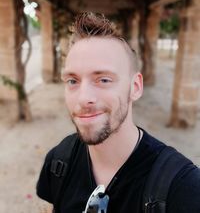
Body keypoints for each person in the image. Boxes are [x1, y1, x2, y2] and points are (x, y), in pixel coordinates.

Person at [36, 12, 200, 213]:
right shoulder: (59, 160)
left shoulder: (183, 188)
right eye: (72, 81)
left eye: (103, 80)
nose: (83, 98)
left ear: (136, 87)